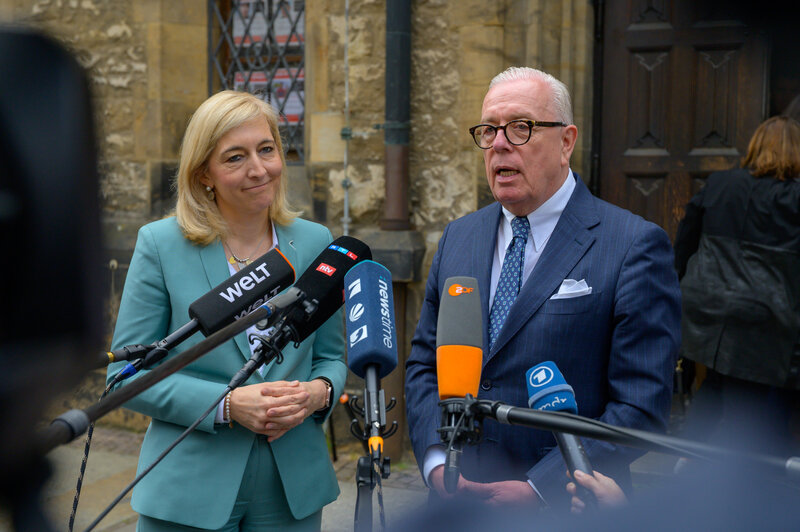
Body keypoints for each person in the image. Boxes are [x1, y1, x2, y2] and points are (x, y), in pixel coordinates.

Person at [405, 66, 681, 511]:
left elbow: (641, 407)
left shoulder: (631, 244)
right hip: (459, 501)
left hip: (567, 506)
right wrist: (437, 462)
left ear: (566, 141)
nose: (498, 144)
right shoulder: (461, 236)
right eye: (489, 130)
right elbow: (424, 365)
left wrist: (540, 486)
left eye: (520, 128)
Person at [106, 90, 345, 531]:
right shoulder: (160, 245)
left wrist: (319, 394)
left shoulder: (314, 241)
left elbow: (331, 357)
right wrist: (228, 405)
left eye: (267, 149)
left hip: (291, 486)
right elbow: (126, 379)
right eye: (235, 158)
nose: (259, 169)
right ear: (204, 175)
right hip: (190, 487)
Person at [674, 115, 800, 456]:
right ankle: (750, 484)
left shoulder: (720, 184)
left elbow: (685, 240)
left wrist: (680, 284)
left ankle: (686, 462)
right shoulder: (795, 197)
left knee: (714, 384)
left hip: (707, 307)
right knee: (751, 406)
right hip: (766, 317)